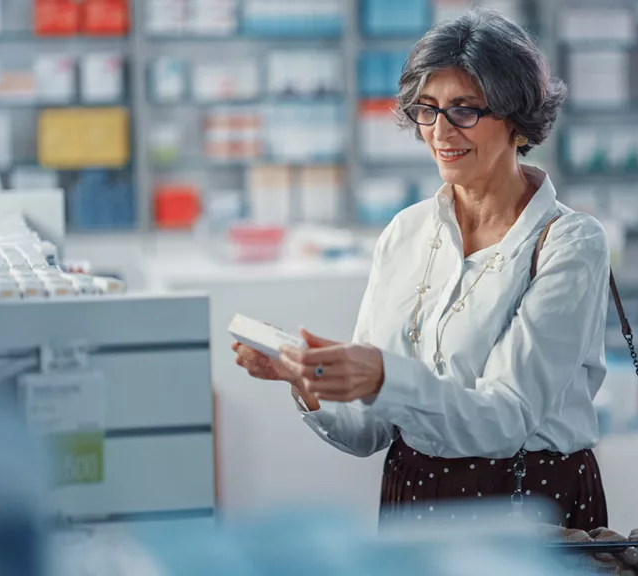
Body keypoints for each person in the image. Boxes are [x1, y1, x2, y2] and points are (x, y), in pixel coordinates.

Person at [232, 9, 610, 530]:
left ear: (517, 118)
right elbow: (369, 434)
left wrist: (385, 376)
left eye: (464, 110)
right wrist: (307, 382)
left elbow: (504, 420)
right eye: (427, 110)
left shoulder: (571, 243)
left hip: (528, 505)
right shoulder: (406, 233)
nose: (439, 132)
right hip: (414, 497)